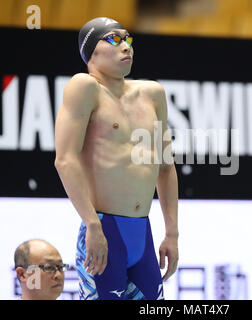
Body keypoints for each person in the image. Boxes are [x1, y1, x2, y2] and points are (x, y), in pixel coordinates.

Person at [54, 17, 179, 300]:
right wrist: (92, 224)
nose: (126, 46)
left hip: (143, 233)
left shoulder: (152, 94)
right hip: (104, 230)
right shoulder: (84, 87)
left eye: (128, 39)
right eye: (113, 39)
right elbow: (65, 160)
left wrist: (172, 233)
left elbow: (166, 167)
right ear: (91, 52)